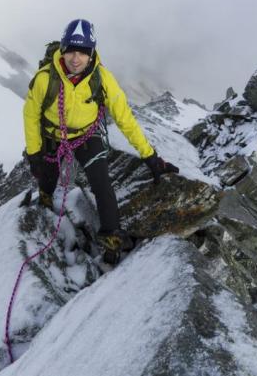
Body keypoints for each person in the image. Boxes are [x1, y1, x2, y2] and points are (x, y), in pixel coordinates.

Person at [22, 18, 178, 263]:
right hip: (52, 136)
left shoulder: (102, 79)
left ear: (92, 52)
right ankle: (45, 200)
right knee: (47, 175)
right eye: (71, 51)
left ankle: (111, 239)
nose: (76, 58)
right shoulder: (45, 78)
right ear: (62, 50)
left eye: (83, 52)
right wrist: (34, 154)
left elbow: (125, 118)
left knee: (102, 182)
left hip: (87, 135)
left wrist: (150, 156)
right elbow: (30, 115)